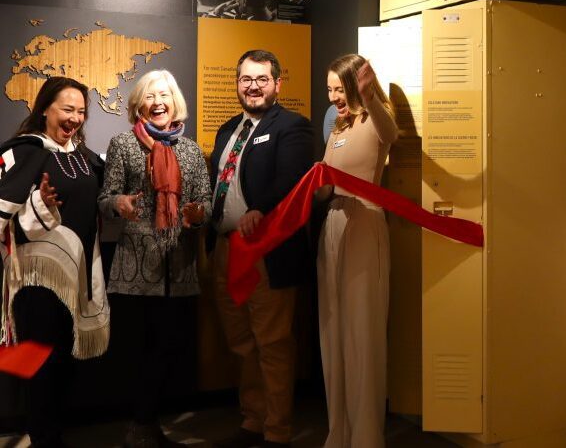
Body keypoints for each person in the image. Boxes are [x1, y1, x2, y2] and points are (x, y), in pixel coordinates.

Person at [99, 69, 211, 447]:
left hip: (178, 269)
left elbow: (206, 203)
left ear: (175, 101)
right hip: (134, 269)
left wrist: (199, 214)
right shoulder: (123, 144)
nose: (158, 102)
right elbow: (106, 198)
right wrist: (119, 203)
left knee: (167, 351)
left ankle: (147, 424)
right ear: (139, 105)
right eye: (150, 95)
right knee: (136, 352)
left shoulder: (192, 151)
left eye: (164, 94)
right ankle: (141, 425)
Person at [210, 49, 313, 447]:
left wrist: (260, 210)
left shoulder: (292, 127)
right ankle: (253, 419)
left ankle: (277, 430)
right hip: (225, 248)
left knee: (272, 342)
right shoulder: (227, 129)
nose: (252, 86)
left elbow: (290, 178)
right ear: (237, 83)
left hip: (266, 250)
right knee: (240, 342)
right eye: (246, 79)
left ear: (277, 83)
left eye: (261, 79)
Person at [0, 77, 109, 447]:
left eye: (81, 111)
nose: (75, 118)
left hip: (75, 275)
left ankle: (53, 433)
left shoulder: (85, 156)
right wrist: (40, 205)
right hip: (38, 279)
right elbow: (8, 217)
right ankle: (43, 437)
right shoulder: (28, 150)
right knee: (41, 363)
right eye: (67, 109)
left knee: (63, 361)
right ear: (44, 108)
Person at [316, 54, 398, 448]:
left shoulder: (375, 118)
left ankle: (366, 436)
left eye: (339, 88)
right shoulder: (338, 129)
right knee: (334, 332)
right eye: (329, 89)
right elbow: (327, 183)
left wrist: (369, 96)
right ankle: (340, 433)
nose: (333, 97)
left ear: (356, 84)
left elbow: (390, 134)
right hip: (333, 225)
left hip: (365, 225)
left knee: (362, 331)